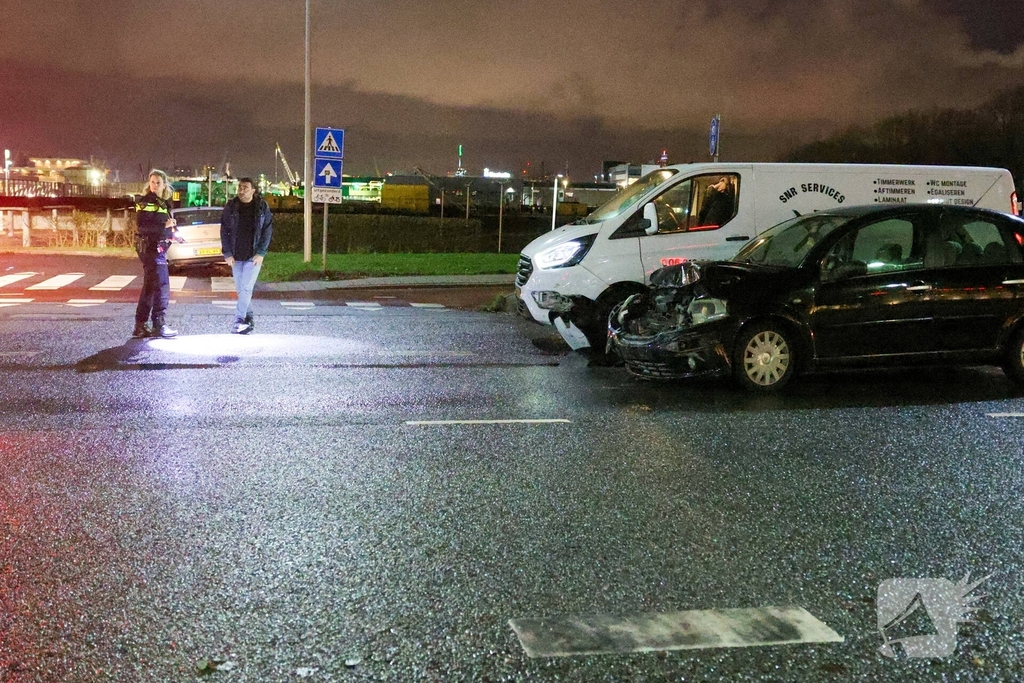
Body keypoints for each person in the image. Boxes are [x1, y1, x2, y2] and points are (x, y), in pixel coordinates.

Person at [220, 177, 273, 334]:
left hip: (253, 256)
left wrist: (261, 252)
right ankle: (249, 317)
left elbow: (267, 230)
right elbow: (224, 230)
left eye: (245, 188)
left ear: (253, 190)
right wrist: (227, 253)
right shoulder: (231, 206)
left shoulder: (262, 207)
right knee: (241, 290)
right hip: (236, 256)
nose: (241, 190)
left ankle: (239, 319)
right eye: (240, 187)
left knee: (246, 287)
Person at [133, 169, 179, 338]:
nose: (155, 185)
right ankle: (158, 325)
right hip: (151, 249)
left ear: (164, 184)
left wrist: (171, 235)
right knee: (161, 286)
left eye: (158, 182)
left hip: (157, 248)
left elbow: (161, 225)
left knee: (151, 288)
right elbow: (142, 227)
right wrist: (164, 227)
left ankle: (141, 325)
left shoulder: (163, 202)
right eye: (153, 182)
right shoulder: (146, 202)